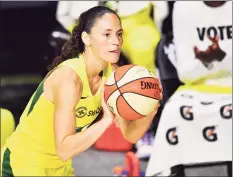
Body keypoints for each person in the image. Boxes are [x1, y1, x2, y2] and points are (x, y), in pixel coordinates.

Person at [1, 6, 162, 176]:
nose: (116, 41)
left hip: (60, 168)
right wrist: (106, 120)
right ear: (87, 38)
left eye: (119, 34)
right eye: (107, 34)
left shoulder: (114, 77)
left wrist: (151, 109)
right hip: (21, 164)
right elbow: (64, 149)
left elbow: (130, 135)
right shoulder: (69, 79)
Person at [146, 1, 232, 176]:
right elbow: (185, 74)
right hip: (198, 87)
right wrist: (208, 62)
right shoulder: (184, 7)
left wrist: (220, 57)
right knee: (171, 112)